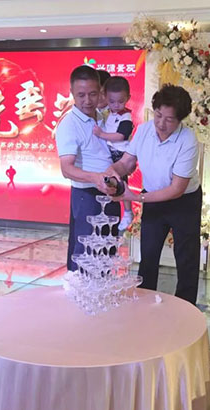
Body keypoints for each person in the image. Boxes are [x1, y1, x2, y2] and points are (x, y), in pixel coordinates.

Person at [105, 84, 202, 304]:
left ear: (180, 120)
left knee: (186, 257)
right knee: (148, 253)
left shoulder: (188, 140)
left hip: (184, 202)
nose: (161, 123)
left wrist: (134, 197)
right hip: (152, 197)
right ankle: (144, 303)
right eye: (158, 115)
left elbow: (176, 189)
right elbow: (127, 162)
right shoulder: (145, 130)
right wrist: (112, 171)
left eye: (169, 119)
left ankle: (186, 307)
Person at [56, 65, 120, 271]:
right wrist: (96, 178)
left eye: (93, 94)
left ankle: (104, 291)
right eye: (81, 95)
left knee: (107, 253)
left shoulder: (103, 117)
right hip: (87, 197)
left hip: (109, 192)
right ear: (72, 93)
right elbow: (66, 169)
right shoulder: (69, 124)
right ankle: (79, 291)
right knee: (86, 255)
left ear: (100, 91)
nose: (87, 101)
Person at [92, 76, 134, 231]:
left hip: (121, 154)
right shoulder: (108, 113)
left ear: (128, 98)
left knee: (121, 183)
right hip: (111, 152)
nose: (116, 105)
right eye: (112, 101)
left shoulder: (126, 116)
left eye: (120, 101)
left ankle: (128, 212)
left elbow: (121, 136)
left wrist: (102, 134)